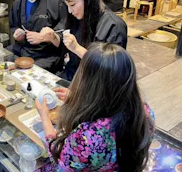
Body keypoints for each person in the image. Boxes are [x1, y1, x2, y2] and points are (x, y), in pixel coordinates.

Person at [35, 43, 155, 172]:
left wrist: (45, 117)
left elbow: (61, 166)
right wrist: (78, 98)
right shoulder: (146, 113)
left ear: (87, 82)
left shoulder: (87, 135)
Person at [41, 0, 127, 81]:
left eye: (72, 4)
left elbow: (110, 70)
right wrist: (54, 37)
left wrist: (77, 48)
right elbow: (64, 45)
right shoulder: (78, 17)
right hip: (73, 75)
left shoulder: (114, 26)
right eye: (67, 6)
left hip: (94, 84)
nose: (70, 11)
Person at [8, 0, 66, 72]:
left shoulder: (56, 1)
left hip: (46, 56)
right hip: (23, 51)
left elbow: (65, 34)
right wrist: (17, 34)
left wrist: (45, 37)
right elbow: (13, 25)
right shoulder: (18, 3)